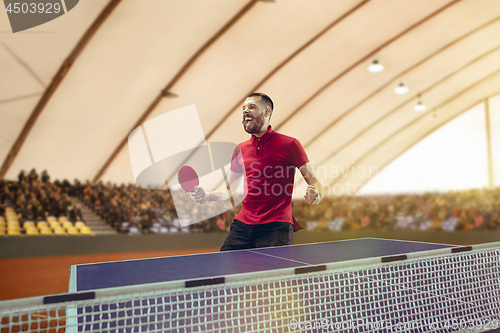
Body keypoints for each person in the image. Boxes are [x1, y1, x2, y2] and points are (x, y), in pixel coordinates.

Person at [191, 93, 324, 251]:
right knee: (224, 270)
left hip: (276, 227)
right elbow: (229, 189)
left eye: (252, 107)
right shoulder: (240, 149)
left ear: (267, 112)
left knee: (274, 275)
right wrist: (206, 195)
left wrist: (316, 193)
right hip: (243, 225)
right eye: (244, 108)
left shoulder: (290, 144)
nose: (246, 111)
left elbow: (315, 183)